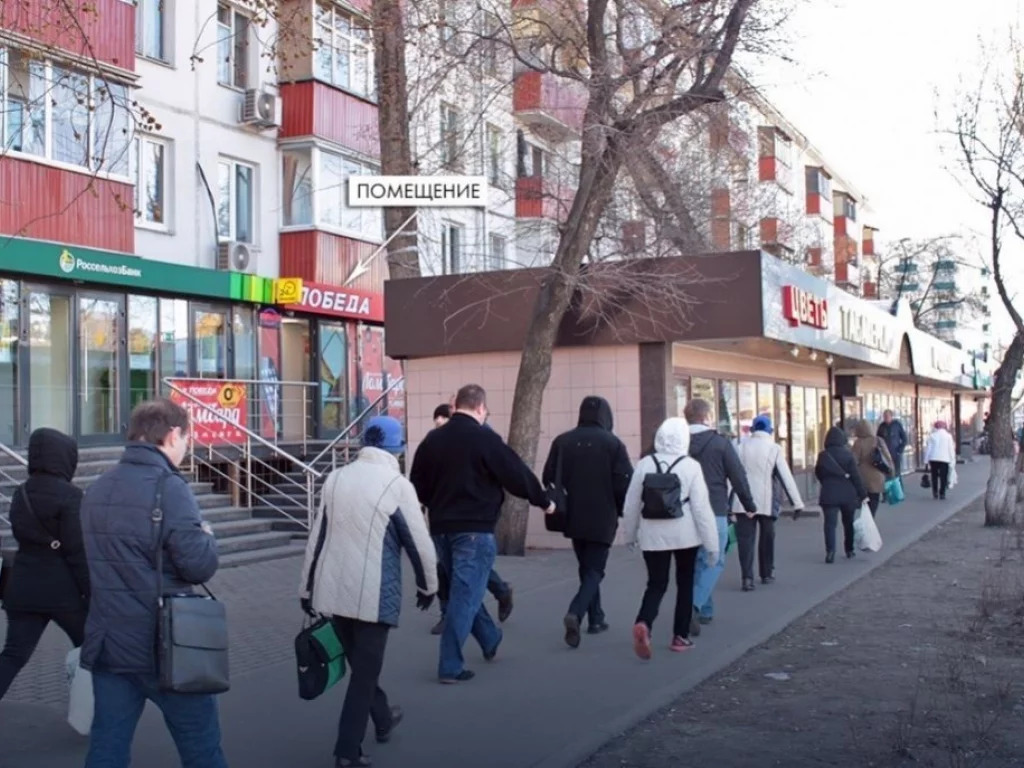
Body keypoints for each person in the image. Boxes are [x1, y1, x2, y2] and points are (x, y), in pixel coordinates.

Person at [81, 399, 224, 768]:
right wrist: (207, 536)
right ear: (173, 434)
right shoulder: (170, 487)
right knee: (201, 750)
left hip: (110, 645)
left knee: (106, 749)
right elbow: (199, 566)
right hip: (167, 647)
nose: (187, 447)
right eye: (187, 438)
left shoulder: (97, 488)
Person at [300, 416, 438, 768]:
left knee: (362, 665)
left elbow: (317, 538)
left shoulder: (336, 478)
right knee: (364, 674)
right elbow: (419, 543)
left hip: (332, 591)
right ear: (397, 447)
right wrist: (428, 586)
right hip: (374, 596)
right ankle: (347, 750)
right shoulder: (396, 485)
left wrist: (307, 588)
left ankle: (384, 718)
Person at [410, 384, 553, 684]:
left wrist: (430, 505)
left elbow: (417, 484)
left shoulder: (432, 440)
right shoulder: (485, 438)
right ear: (479, 407)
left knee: (466, 591)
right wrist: (544, 501)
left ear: (456, 405)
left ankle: (490, 638)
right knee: (465, 596)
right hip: (475, 529)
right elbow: (516, 474)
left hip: (440, 528)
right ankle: (450, 665)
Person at [0, 428, 88, 700]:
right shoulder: (71, 496)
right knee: (92, 648)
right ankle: (94, 710)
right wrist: (91, 591)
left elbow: (20, 535)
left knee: (13, 655)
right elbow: (77, 550)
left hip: (22, 589)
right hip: (64, 595)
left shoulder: (20, 493)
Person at [622, 417, 718, 657]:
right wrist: (712, 545)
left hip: (652, 533)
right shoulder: (690, 466)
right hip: (685, 534)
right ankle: (680, 636)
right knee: (685, 584)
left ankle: (644, 622)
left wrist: (629, 535)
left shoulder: (645, 464)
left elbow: (632, 503)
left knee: (656, 583)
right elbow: (702, 510)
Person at [542, 396, 633, 648]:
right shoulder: (612, 444)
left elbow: (547, 476)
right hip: (603, 515)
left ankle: (596, 618)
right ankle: (577, 612)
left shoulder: (563, 441)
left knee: (585, 566)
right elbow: (624, 482)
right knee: (595, 570)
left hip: (571, 514)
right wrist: (625, 510)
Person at [428, 402, 515, 636]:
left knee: (460, 571)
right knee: (457, 571)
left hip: (472, 519)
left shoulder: (482, 438)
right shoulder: (437, 443)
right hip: (444, 519)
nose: (440, 428)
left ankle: (455, 619)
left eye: (442, 422)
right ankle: (497, 597)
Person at [685, 398, 755, 628]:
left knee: (695, 562)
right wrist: (749, 504)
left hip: (684, 511)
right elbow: (738, 476)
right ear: (707, 416)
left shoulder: (677, 442)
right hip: (714, 509)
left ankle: (705, 610)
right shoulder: (720, 443)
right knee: (714, 559)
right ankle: (694, 606)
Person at [732, 415, 803, 590]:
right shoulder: (774, 448)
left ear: (753, 429)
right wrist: (797, 503)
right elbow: (785, 477)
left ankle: (746, 577)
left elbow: (732, 477)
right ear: (769, 430)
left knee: (745, 541)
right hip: (767, 501)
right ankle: (766, 573)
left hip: (743, 502)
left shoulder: (740, 447)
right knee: (767, 538)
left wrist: (729, 505)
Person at [815, 426, 868, 563]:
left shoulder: (823, 456)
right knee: (848, 522)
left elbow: (818, 473)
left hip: (829, 494)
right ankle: (849, 549)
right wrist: (863, 495)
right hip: (847, 494)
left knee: (829, 524)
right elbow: (856, 476)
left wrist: (827, 482)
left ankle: (830, 552)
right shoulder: (848, 455)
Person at [852, 419, 894, 518]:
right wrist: (891, 471)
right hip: (877, 474)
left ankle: (866, 519)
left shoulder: (858, 443)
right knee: (874, 498)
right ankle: (871, 518)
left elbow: (853, 460)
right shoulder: (878, 440)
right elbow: (887, 457)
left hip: (863, 476)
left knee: (864, 499)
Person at [924, 420, 957, 500]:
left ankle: (935, 492)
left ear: (936, 427)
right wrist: (952, 459)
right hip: (944, 459)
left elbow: (929, 449)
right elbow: (951, 449)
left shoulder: (932, 436)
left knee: (934, 476)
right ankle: (942, 493)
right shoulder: (948, 436)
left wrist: (926, 460)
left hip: (934, 458)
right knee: (943, 477)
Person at [876, 410, 908, 486]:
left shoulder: (897, 425)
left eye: (887, 416)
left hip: (895, 453)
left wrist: (899, 450)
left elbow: (904, 439)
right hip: (885, 454)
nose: (885, 418)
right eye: (884, 416)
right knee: (886, 473)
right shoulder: (882, 426)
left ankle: (899, 492)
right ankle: (888, 492)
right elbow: (878, 439)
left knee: (896, 473)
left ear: (891, 416)